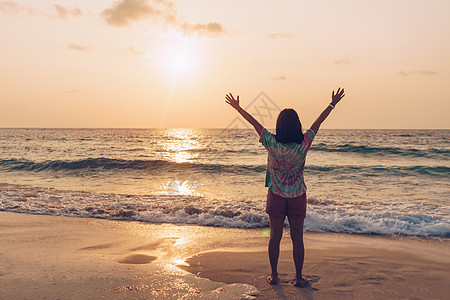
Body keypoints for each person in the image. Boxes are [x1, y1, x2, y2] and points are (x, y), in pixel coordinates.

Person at [225, 88, 345, 287]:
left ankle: (274, 276)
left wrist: (238, 109)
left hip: (276, 196)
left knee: (275, 237)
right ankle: (298, 278)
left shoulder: (271, 142)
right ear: (297, 125)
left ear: (279, 126)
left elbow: (254, 123)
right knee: (298, 238)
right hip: (297, 196)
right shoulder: (304, 143)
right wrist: (332, 104)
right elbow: (318, 122)